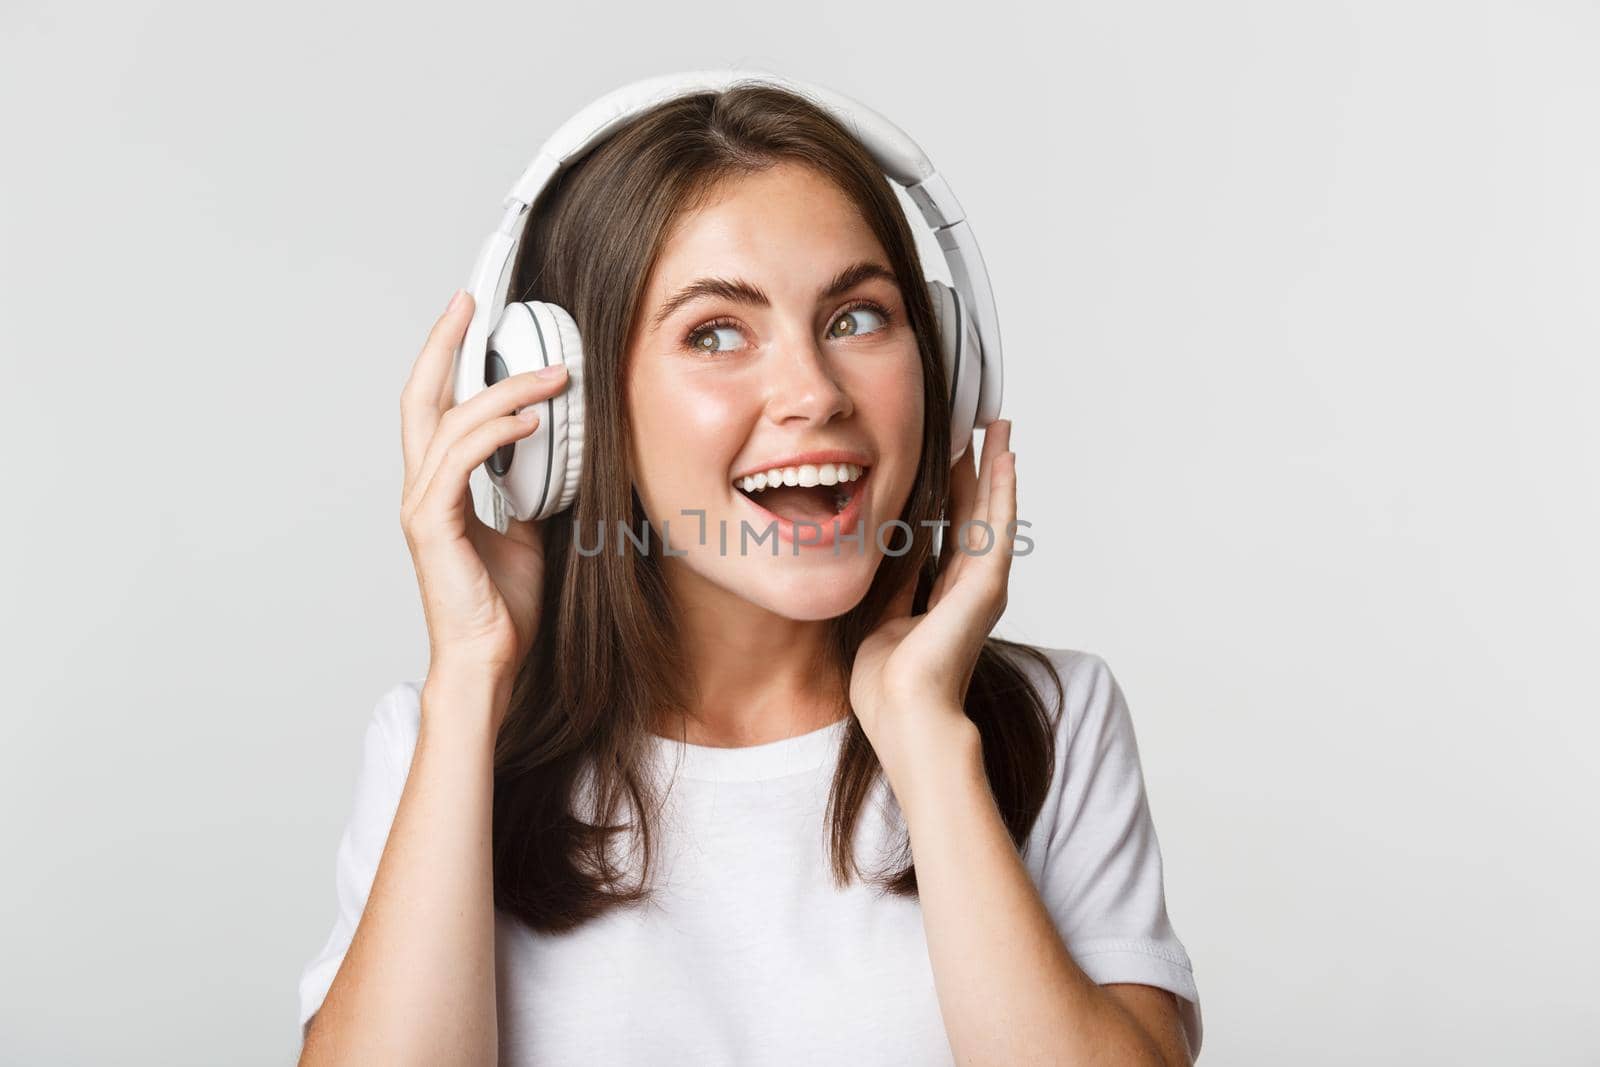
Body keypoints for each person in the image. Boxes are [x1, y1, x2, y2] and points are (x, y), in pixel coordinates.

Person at [295, 78, 1203, 1066]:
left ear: (944, 364)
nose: (812, 393)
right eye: (714, 332)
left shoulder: (1051, 719)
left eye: (857, 316)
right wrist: (472, 674)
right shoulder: (443, 744)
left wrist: (926, 740)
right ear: (572, 421)